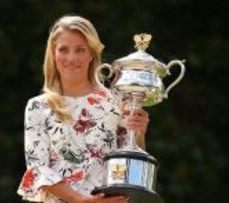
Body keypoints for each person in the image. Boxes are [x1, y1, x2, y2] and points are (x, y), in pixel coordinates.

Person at [17, 15, 149, 203]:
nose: (71, 58)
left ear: (92, 54)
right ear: (53, 54)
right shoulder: (38, 106)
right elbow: (37, 169)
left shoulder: (118, 101)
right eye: (64, 49)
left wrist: (139, 133)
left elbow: (130, 158)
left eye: (80, 50)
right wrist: (80, 200)